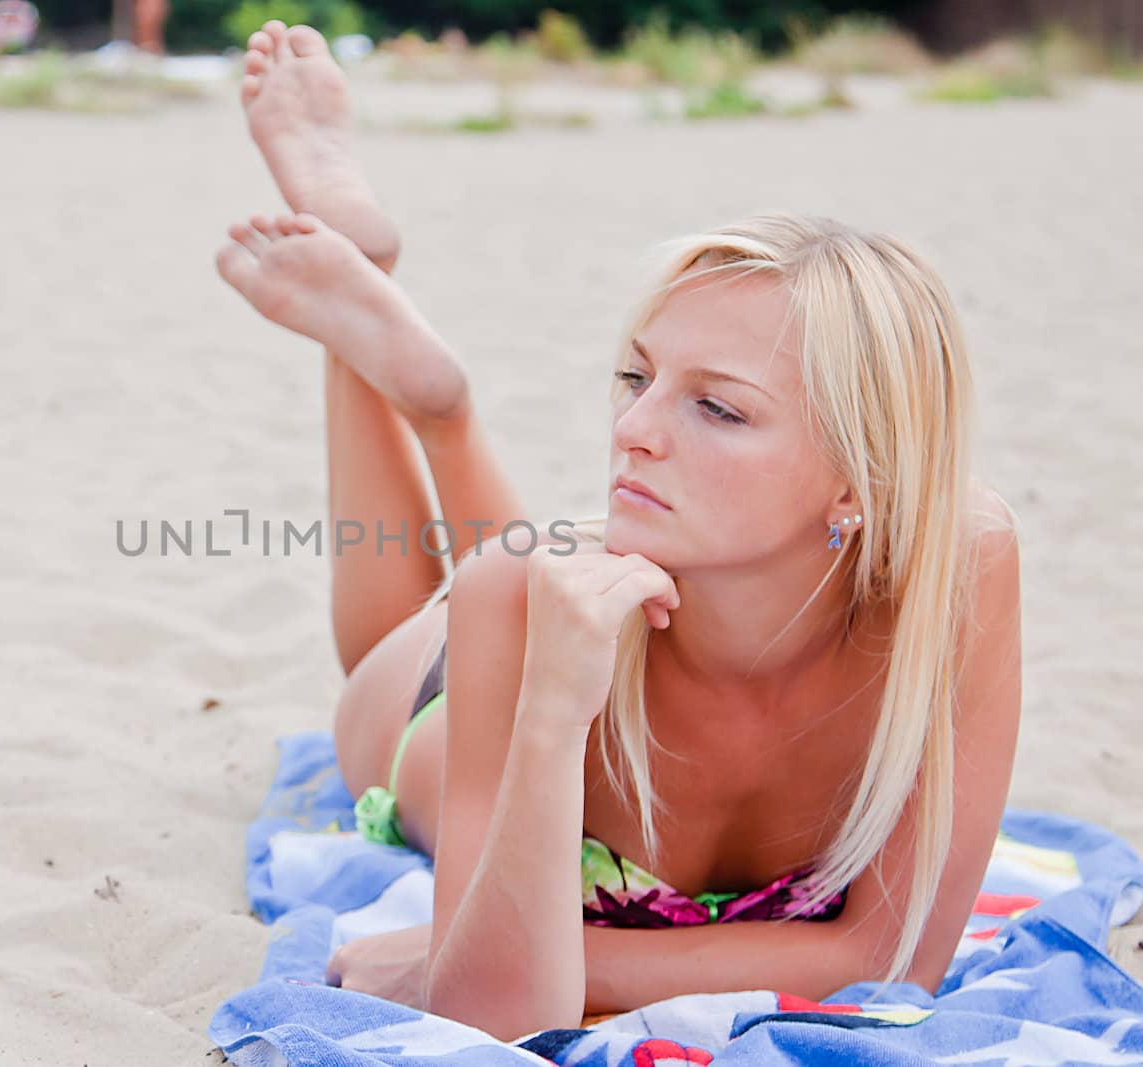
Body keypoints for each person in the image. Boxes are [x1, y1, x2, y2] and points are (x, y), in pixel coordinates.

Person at [219, 21, 1022, 1043]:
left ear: (858, 485)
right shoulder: (512, 598)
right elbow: (498, 1013)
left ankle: (426, 387)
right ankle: (411, 380)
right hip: (463, 685)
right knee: (423, 638)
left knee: (519, 572)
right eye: (637, 376)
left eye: (717, 408)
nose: (631, 430)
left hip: (547, 586)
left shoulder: (959, 564)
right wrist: (551, 711)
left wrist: (468, 946)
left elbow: (895, 958)